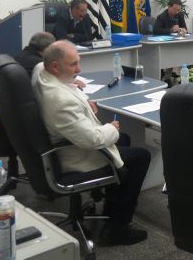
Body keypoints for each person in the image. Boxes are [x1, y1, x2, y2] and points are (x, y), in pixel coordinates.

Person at [32, 41, 150, 246]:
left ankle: (112, 207)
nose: (79, 69)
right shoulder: (60, 101)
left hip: (65, 141)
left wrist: (74, 87)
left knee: (125, 139)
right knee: (141, 156)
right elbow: (93, 139)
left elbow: (45, 68)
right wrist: (112, 128)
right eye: (73, 65)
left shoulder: (41, 71)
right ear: (55, 67)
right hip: (75, 155)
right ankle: (117, 228)